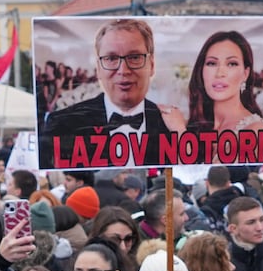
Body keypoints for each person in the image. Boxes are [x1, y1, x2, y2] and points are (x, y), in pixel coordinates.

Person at [43, 19, 174, 165]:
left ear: (152, 65)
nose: (123, 70)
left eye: (135, 58)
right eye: (111, 58)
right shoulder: (62, 124)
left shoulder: (172, 126)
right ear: (98, 69)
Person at [167, 30, 263, 134]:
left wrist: (180, 131)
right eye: (212, 63)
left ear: (245, 74)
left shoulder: (255, 130)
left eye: (231, 64)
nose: (219, 73)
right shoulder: (197, 123)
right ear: (201, 70)